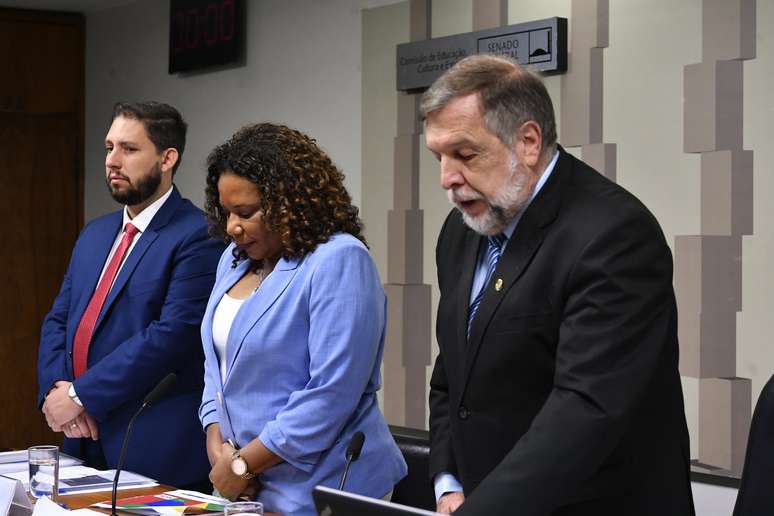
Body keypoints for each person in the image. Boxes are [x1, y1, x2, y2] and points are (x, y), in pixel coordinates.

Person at [422, 54, 695, 515]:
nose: (447, 178)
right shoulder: (460, 231)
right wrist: (448, 483)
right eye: (439, 157)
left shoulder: (613, 234)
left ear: (527, 141)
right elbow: (453, 378)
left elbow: (584, 408)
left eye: (465, 154)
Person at [199, 123, 407, 516]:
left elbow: (331, 393)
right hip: (245, 484)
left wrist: (245, 464)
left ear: (288, 202)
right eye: (225, 212)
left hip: (325, 484)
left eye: (245, 212)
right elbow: (217, 368)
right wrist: (219, 448)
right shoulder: (233, 260)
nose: (231, 227)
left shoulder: (340, 260)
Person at [37, 101, 224, 490]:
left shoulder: (198, 234)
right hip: (80, 433)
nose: (113, 161)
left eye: (129, 149)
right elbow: (60, 318)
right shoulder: (95, 233)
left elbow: (172, 334)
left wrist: (80, 393)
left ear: (167, 158)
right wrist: (56, 389)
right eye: (109, 148)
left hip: (150, 439)